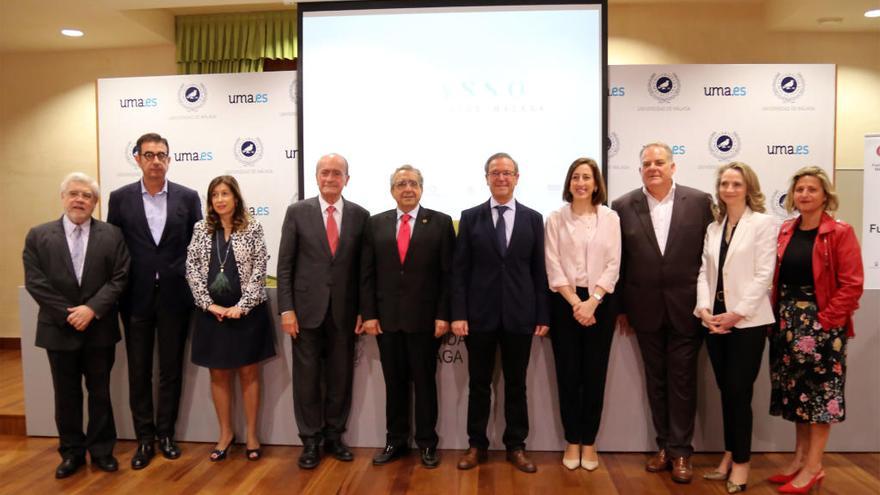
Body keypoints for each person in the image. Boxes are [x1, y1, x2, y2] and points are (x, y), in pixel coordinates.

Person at [611, 142, 714, 484]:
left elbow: (709, 258)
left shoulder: (699, 202)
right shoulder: (623, 206)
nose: (653, 168)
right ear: (640, 169)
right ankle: (664, 447)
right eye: (646, 163)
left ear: (673, 167)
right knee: (656, 381)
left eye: (659, 162)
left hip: (688, 309)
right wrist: (623, 308)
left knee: (682, 381)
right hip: (644, 310)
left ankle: (682, 451)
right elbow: (620, 263)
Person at [23, 172, 130, 478]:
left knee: (100, 393)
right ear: (63, 198)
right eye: (73, 194)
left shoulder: (112, 235)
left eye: (86, 195)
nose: (79, 200)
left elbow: (120, 277)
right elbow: (36, 281)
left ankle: (101, 451)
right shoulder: (39, 235)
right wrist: (70, 313)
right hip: (58, 329)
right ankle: (70, 453)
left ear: (95, 202)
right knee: (66, 395)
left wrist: (92, 309)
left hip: (99, 328)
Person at [107, 132, 202, 469]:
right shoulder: (119, 199)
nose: (156, 161)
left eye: (161, 154)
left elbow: (198, 249)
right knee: (139, 370)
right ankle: (144, 439)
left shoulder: (188, 198)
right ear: (137, 158)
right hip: (135, 298)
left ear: (170, 158)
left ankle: (166, 436)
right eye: (149, 155)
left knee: (171, 371)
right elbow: (114, 248)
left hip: (176, 298)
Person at [452, 152, 550, 474]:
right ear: (487, 178)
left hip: (520, 316)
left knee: (516, 384)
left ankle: (516, 446)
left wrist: (542, 315)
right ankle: (476, 444)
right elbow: (460, 271)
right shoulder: (470, 217)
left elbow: (539, 272)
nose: (502, 178)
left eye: (507, 173)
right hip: (479, 317)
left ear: (517, 177)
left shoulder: (534, 219)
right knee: (479, 383)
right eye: (495, 173)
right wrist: (459, 313)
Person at [768, 166, 863, 494]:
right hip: (787, 323)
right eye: (799, 190)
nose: (804, 195)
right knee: (798, 395)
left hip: (822, 326)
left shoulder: (839, 232)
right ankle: (798, 459)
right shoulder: (785, 230)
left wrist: (826, 322)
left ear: (825, 195)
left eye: (811, 189)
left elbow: (852, 285)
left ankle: (814, 467)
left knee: (821, 398)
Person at [276, 153, 369, 469]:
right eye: (325, 173)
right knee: (307, 379)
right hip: (304, 312)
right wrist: (286, 309)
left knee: (341, 378)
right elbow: (285, 264)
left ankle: (334, 437)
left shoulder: (360, 215)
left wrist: (363, 310)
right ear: (316, 177)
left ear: (347, 178)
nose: (330, 178)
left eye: (337, 173)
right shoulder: (297, 212)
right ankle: (311, 441)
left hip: (345, 312)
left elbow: (363, 271)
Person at [360, 165, 455, 469]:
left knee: (425, 383)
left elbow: (447, 275)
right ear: (392, 191)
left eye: (413, 183)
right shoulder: (375, 224)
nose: (407, 188)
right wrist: (370, 315)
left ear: (421, 188)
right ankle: (395, 440)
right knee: (394, 384)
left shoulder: (440, 223)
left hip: (426, 322)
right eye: (401, 183)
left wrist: (443, 315)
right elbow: (367, 275)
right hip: (387, 321)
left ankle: (427, 443)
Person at [694, 162, 777, 493]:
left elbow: (764, 275)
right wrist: (703, 309)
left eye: (736, 184)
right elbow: (704, 272)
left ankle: (741, 464)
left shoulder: (763, 224)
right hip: (714, 323)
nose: (729, 189)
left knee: (739, 393)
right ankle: (729, 455)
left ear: (748, 188)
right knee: (726, 391)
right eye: (724, 183)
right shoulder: (715, 228)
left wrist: (737, 313)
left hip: (747, 324)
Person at [185, 175, 275, 462]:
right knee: (218, 374)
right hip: (212, 316)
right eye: (215, 195)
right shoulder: (201, 229)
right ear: (210, 201)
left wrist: (242, 306)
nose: (220, 199)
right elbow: (192, 269)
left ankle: (251, 434)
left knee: (249, 373)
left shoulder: (253, 227)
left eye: (225, 193)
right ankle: (225, 433)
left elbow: (260, 268)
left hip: (247, 315)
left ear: (236, 197)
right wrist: (208, 304)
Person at [544, 158, 620, 471]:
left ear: (596, 183)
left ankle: (589, 442)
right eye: (575, 177)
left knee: (594, 375)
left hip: (600, 304)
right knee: (568, 374)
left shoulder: (610, 217)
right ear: (569, 183)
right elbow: (553, 264)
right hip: (565, 303)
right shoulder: (555, 218)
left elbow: (614, 263)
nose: (581, 182)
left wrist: (593, 301)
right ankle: (571, 439)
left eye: (587, 177)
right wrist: (577, 302)